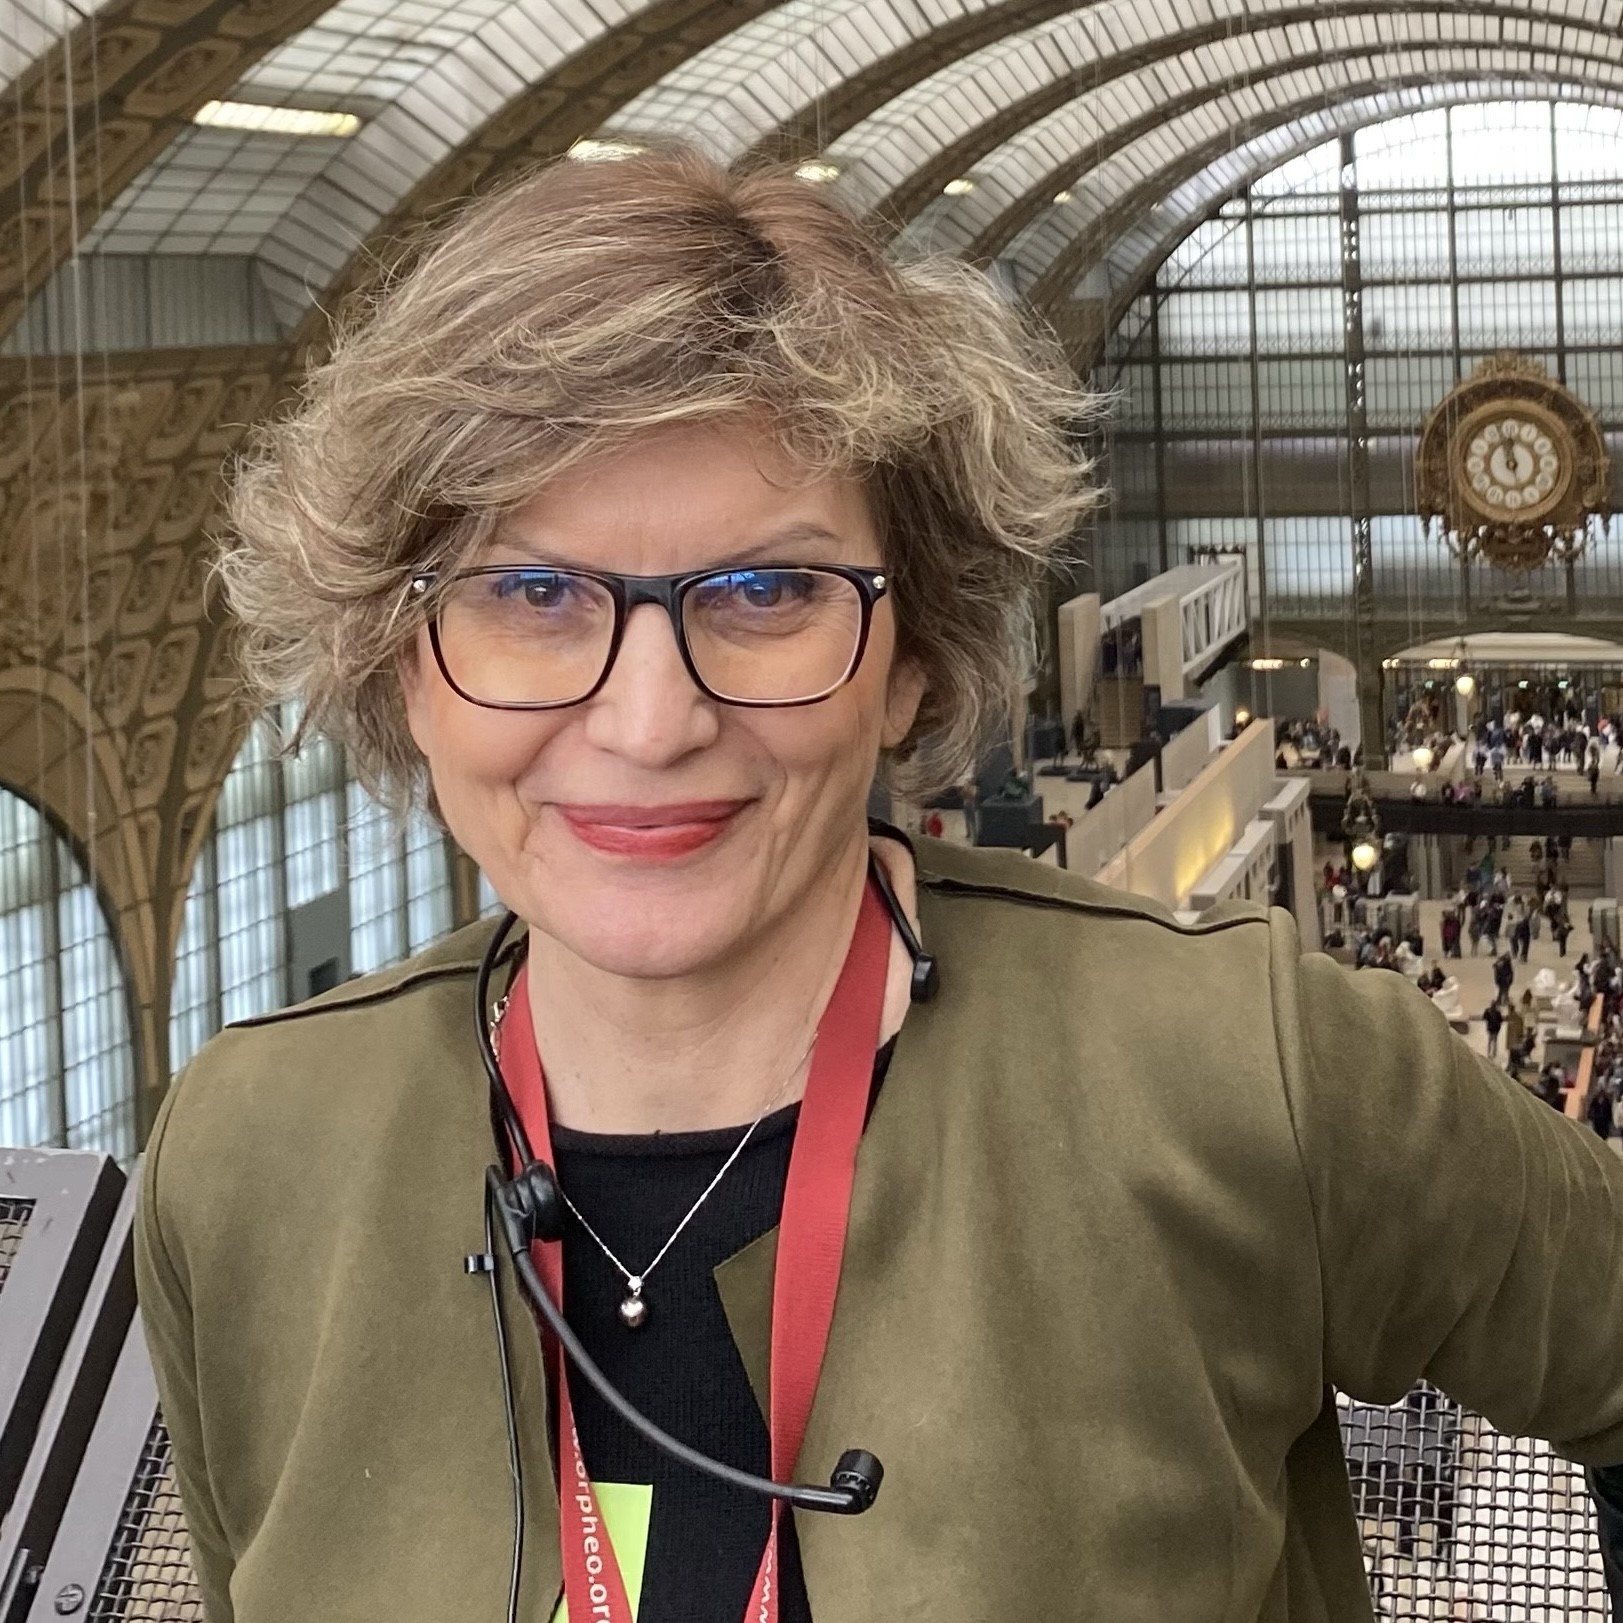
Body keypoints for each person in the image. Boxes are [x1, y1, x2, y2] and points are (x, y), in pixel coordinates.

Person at [132, 149, 1623, 1623]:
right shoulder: (254, 1158)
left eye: (766, 591)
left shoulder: (1243, 1070)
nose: (650, 721)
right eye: (532, 594)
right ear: (404, 664)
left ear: (910, 658)